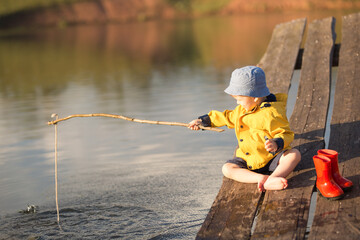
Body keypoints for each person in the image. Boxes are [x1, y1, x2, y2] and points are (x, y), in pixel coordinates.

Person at [188, 66, 301, 192]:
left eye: (239, 99)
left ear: (255, 98)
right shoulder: (241, 111)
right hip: (248, 160)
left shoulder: (271, 113)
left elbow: (285, 133)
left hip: (270, 158)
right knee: (227, 168)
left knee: (294, 155)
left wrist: (276, 143)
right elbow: (226, 117)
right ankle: (261, 178)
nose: (237, 103)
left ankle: (274, 177)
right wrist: (203, 121)